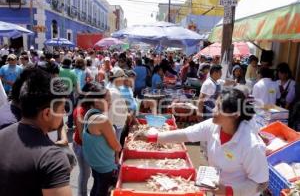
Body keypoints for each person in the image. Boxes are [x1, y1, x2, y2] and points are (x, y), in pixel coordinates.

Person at [135, 88, 269, 196]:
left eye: (219, 108)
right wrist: (153, 137)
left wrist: (228, 191)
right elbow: (185, 134)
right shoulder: (212, 126)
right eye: (215, 106)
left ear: (235, 115)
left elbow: (261, 183)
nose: (213, 111)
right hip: (216, 188)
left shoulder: (251, 144)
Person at [0, 69, 72, 196]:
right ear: (47, 113)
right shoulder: (52, 158)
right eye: (63, 108)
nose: (64, 113)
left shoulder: (2, 134)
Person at [81, 82, 122, 196]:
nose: (110, 103)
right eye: (107, 100)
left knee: (97, 187)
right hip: (105, 166)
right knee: (103, 191)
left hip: (95, 164)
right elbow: (115, 146)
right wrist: (119, 147)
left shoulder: (89, 114)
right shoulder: (102, 120)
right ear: (96, 102)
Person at [107, 67, 128, 142]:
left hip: (116, 125)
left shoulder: (114, 88)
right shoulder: (113, 92)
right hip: (115, 126)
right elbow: (110, 113)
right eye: (123, 77)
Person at [59, 57, 78, 129]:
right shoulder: (72, 73)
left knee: (59, 109)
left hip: (59, 93)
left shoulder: (59, 70)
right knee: (71, 109)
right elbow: (76, 84)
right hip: (69, 93)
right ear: (70, 64)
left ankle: (60, 125)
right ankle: (70, 125)